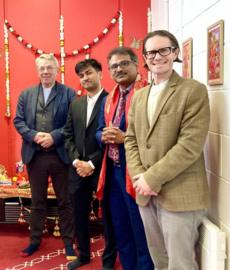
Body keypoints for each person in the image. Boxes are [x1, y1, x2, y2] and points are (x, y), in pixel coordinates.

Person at [125, 30, 210, 270]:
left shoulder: (193, 90)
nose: (157, 56)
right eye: (151, 52)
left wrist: (152, 177)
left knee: (180, 264)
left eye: (164, 50)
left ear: (174, 53)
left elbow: (190, 144)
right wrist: (140, 176)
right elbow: (130, 140)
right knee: (159, 261)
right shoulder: (139, 96)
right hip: (145, 193)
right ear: (144, 58)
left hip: (180, 194)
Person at [96, 47, 153, 270]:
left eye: (124, 64)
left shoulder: (147, 93)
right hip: (112, 170)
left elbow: (154, 135)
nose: (119, 69)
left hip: (136, 171)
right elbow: (99, 130)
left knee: (141, 231)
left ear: (136, 65)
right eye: (114, 66)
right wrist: (104, 135)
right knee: (121, 230)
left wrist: (124, 137)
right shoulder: (109, 98)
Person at [13, 54, 76, 259]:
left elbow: (72, 121)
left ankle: (68, 243)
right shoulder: (26, 94)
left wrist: (54, 136)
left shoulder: (69, 93)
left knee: (65, 202)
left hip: (60, 155)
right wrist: (34, 136)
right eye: (42, 68)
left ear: (57, 70)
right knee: (37, 202)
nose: (46, 71)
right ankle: (34, 241)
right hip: (35, 155)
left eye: (50, 67)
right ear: (37, 71)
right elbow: (19, 121)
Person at [63, 58, 108, 269]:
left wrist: (91, 163)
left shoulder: (111, 101)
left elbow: (110, 140)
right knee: (78, 214)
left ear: (100, 73)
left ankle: (109, 258)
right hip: (77, 169)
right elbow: (68, 135)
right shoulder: (76, 104)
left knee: (108, 215)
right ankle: (83, 255)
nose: (85, 78)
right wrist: (76, 161)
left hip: (102, 168)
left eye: (89, 73)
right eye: (81, 76)